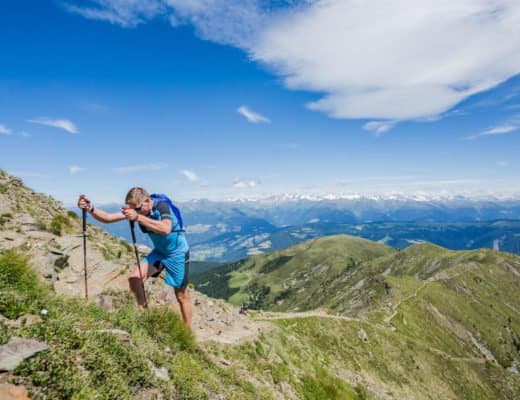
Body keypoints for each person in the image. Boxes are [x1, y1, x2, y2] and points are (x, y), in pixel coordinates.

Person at [77, 187, 192, 326]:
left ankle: (187, 332)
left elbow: (165, 228)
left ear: (148, 201)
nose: (135, 211)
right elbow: (108, 218)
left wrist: (138, 217)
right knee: (134, 278)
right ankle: (145, 317)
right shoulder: (136, 210)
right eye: (133, 209)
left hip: (177, 254)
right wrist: (90, 208)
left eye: (138, 208)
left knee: (181, 295)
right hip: (160, 252)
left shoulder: (162, 206)